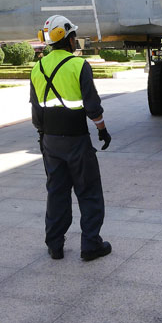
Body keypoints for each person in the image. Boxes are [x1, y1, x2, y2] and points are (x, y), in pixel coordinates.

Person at [30, 15, 113, 261]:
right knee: (88, 192)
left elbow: (36, 111)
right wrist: (102, 130)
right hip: (76, 140)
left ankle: (55, 246)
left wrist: (44, 138)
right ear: (67, 38)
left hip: (50, 142)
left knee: (56, 193)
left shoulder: (38, 67)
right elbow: (92, 107)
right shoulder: (79, 65)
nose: (76, 40)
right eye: (73, 36)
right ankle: (90, 245)